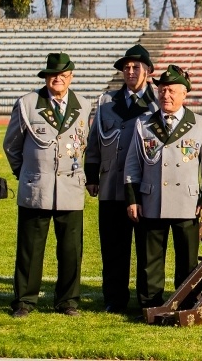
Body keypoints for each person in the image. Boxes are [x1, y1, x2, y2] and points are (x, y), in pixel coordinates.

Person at [123, 64, 202, 309]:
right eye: (162, 91)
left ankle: (184, 303)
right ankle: (149, 304)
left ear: (184, 94)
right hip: (151, 200)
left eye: (172, 91)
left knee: (187, 260)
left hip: (187, 203)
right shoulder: (143, 123)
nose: (166, 95)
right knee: (149, 259)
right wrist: (132, 199)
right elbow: (133, 165)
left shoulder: (201, 125)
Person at [3, 52, 92, 318]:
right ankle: (24, 301)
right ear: (46, 77)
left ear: (71, 77)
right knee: (30, 249)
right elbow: (11, 145)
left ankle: (68, 302)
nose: (59, 80)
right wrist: (26, 173)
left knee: (70, 250)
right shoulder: (28, 104)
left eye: (64, 75)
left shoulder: (84, 106)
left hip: (71, 188)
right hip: (36, 188)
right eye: (53, 75)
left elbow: (85, 144)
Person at [84, 44, 159, 313]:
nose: (130, 71)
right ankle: (114, 299)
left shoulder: (157, 104)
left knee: (146, 249)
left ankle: (146, 299)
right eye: (126, 67)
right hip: (111, 187)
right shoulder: (106, 103)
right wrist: (92, 175)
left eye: (135, 67)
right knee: (113, 246)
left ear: (148, 71)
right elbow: (94, 142)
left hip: (144, 189)